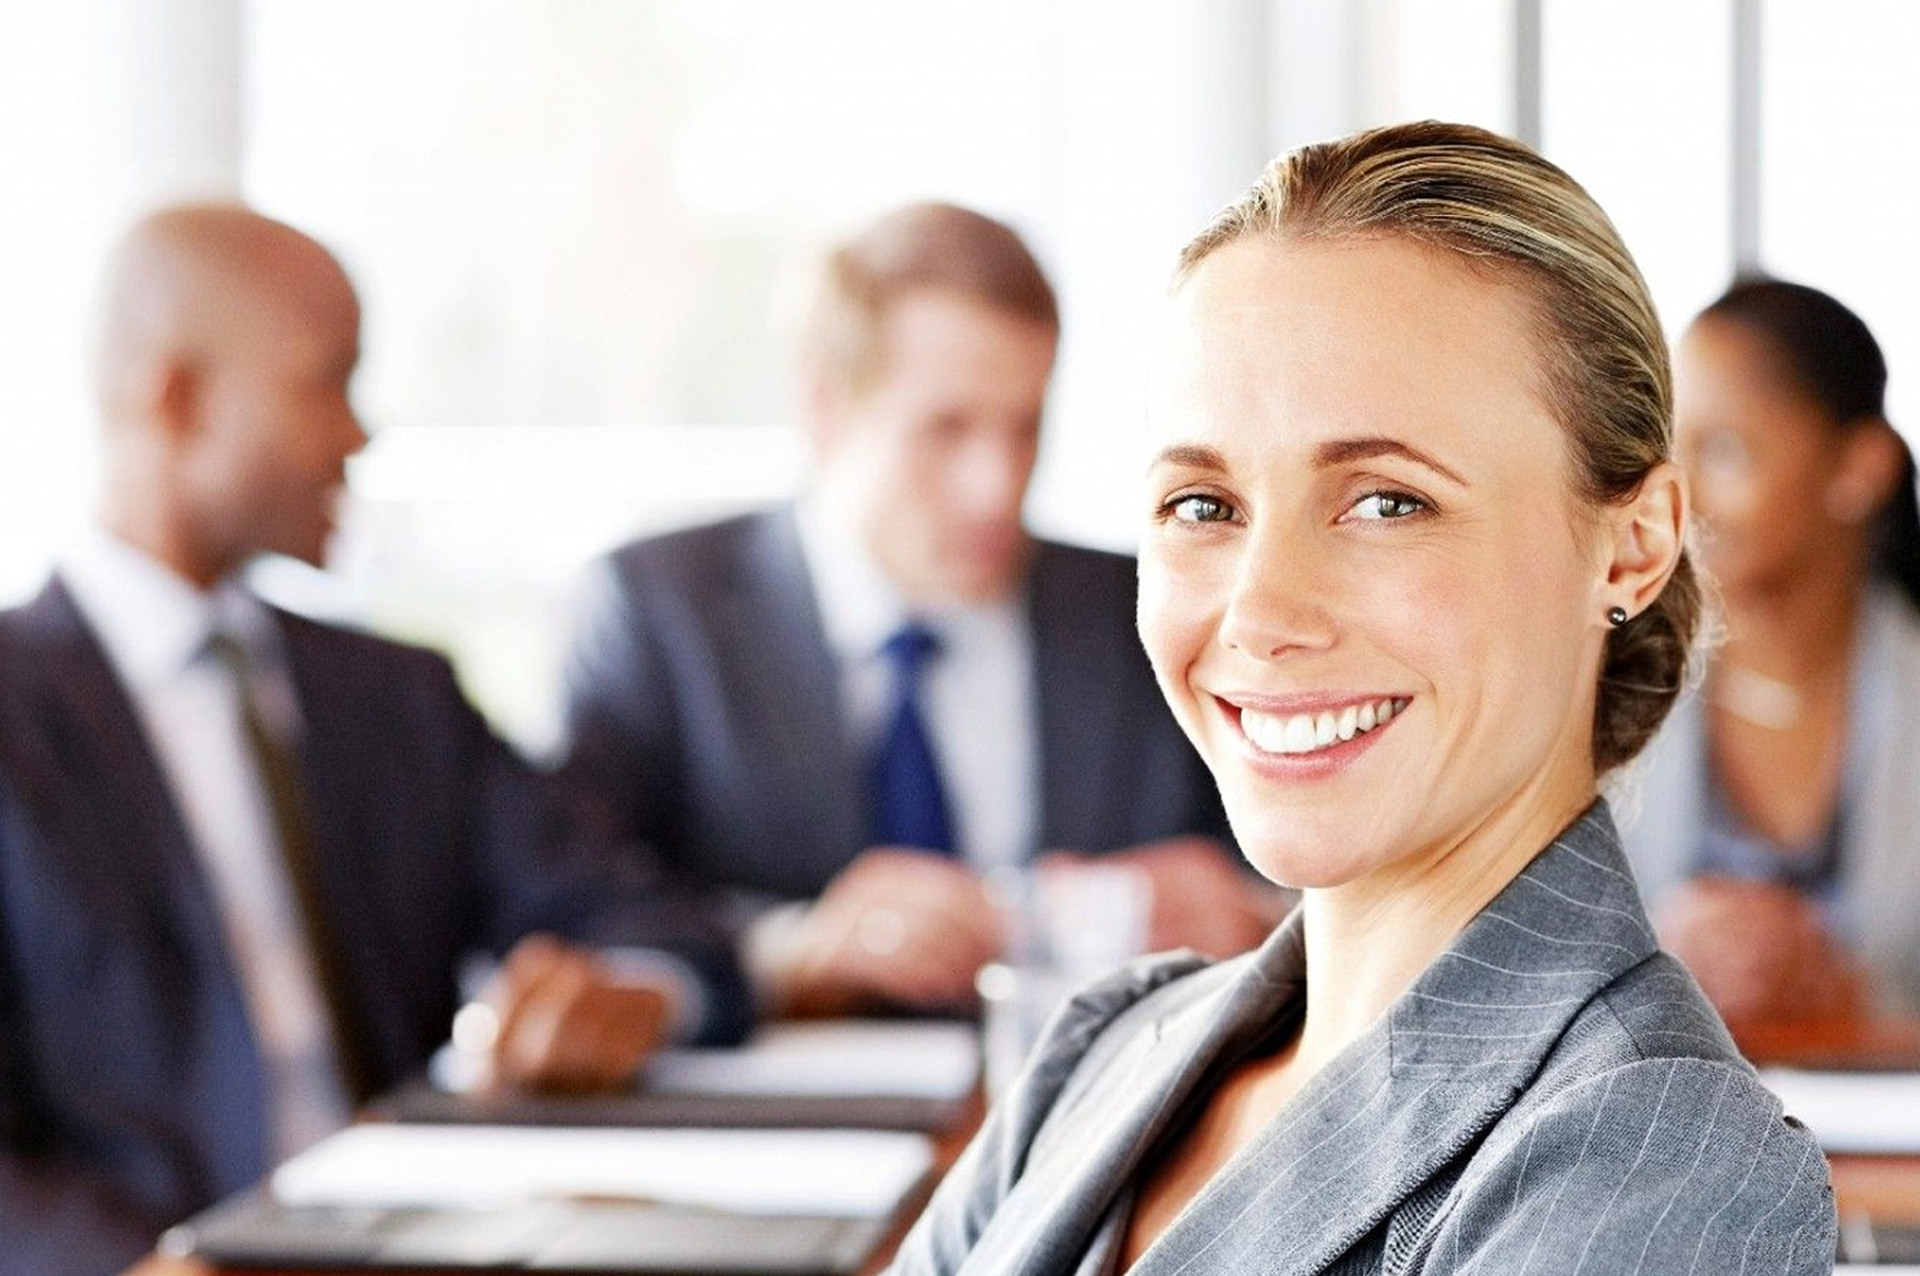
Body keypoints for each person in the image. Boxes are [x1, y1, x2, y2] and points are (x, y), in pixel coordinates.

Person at [885, 122, 1833, 1276]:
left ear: (1634, 547)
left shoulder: (1661, 1158)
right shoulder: (1105, 1051)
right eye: (1202, 504)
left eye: (1386, 501)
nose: (1261, 610)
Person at [0, 205, 748, 1276]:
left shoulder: (397, 696)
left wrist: (630, 990)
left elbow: (636, 904)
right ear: (177, 397)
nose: (360, 433)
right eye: (328, 380)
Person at [559, 202, 1273, 1019]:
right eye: (947, 429)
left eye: (1024, 428)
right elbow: (578, 904)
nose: (997, 487)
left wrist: (1242, 905)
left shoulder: (1146, 605)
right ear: (827, 409)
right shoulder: (659, 611)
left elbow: (1307, 871)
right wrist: (791, 948)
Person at [1625, 277, 1920, 1026]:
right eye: (1672, 449)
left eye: (1722, 449)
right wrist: (1650, 965)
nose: (1678, 495)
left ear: (1861, 467)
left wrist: (1860, 1011)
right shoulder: (1598, 691)